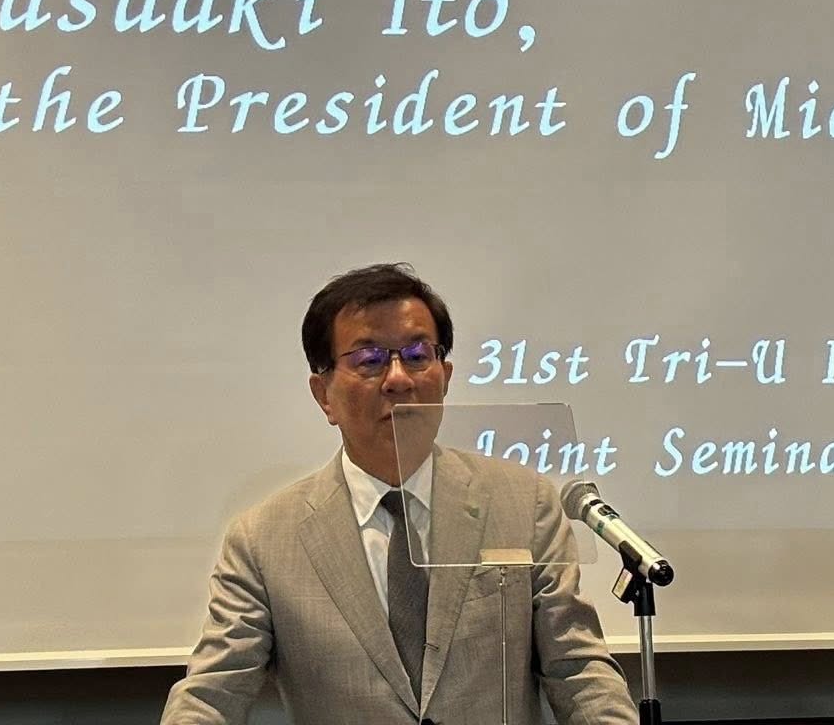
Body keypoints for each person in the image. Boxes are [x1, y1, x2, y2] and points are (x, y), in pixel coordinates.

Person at [161, 263, 639, 724]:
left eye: (416, 355)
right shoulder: (263, 540)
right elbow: (213, 692)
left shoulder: (524, 503)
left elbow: (579, 671)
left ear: (444, 377)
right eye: (369, 360)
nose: (398, 379)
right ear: (323, 394)